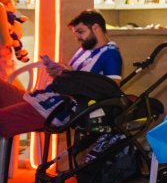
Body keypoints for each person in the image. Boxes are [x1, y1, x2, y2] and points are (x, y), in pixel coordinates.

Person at [0, 10, 122, 138]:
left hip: (57, 110)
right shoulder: (84, 49)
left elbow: (111, 88)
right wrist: (60, 71)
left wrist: (70, 77)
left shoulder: (111, 54)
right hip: (44, 99)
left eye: (81, 32)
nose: (77, 38)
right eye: (76, 34)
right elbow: (74, 75)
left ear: (96, 28)